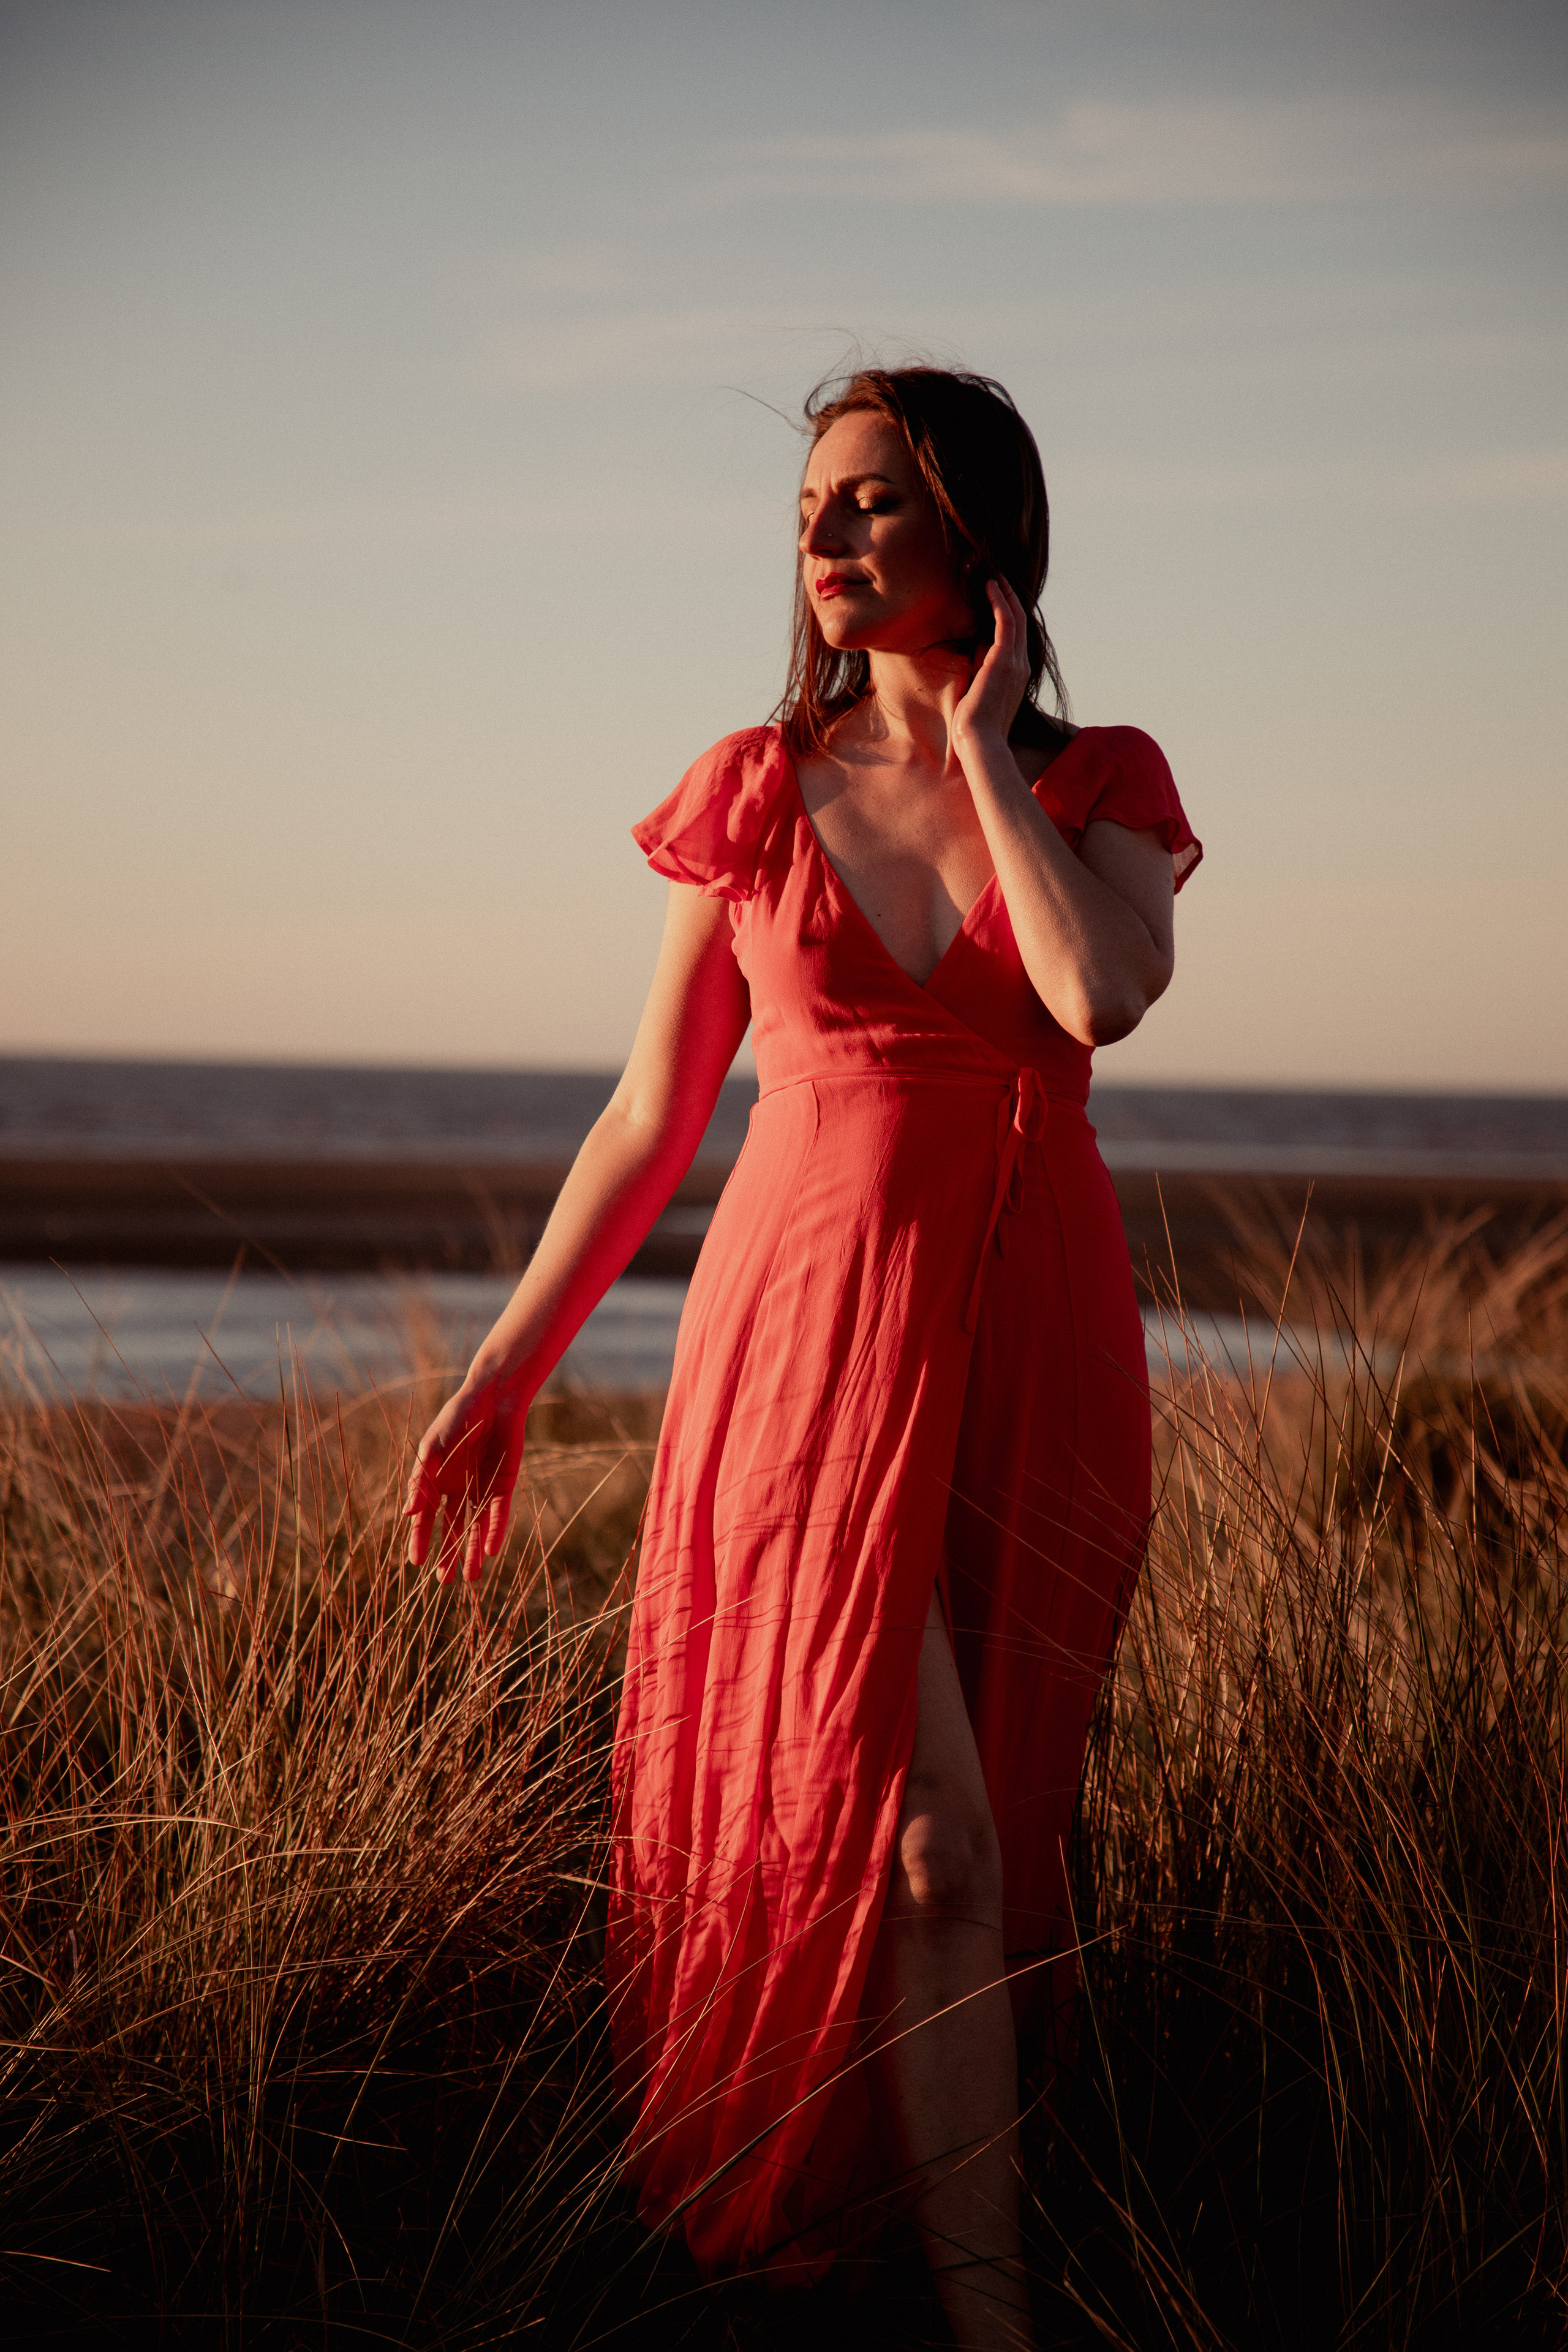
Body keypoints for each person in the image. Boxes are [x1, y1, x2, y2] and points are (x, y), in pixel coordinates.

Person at [405, 364, 1200, 2349]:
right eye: (812, 509)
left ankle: (909, 2250)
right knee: (919, 1836)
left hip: (1032, 1334)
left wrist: (989, 750)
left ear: (977, 535)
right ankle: (986, 2321)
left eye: (870, 505)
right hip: (798, 1344)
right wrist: (506, 1368)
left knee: (991, 1839)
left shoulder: (1100, 781)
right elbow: (644, 1121)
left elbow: (1097, 995)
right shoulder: (755, 792)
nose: (823, 537)